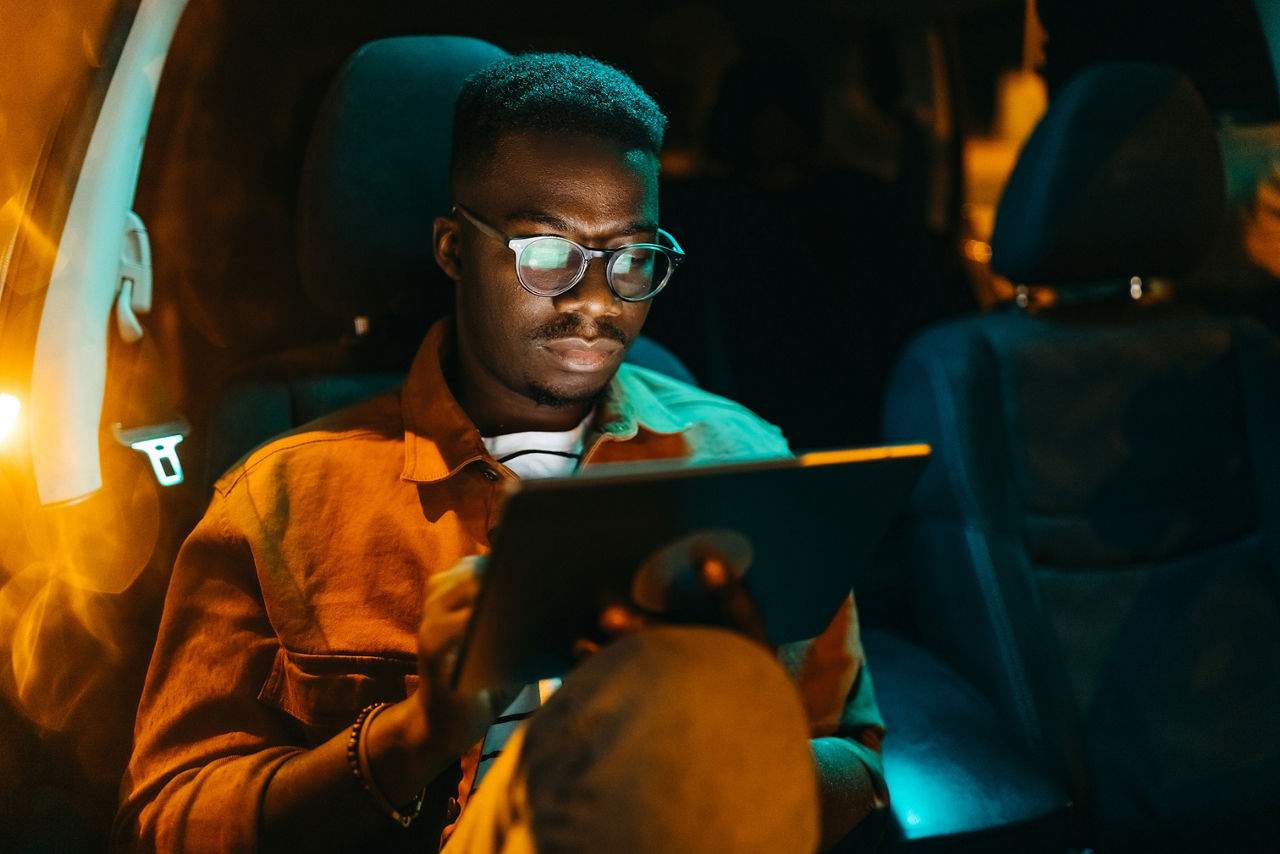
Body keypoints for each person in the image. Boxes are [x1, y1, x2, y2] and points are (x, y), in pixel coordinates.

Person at [114, 52, 887, 853]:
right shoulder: (280, 500)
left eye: (633, 259)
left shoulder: (743, 459)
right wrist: (416, 735)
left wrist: (719, 744)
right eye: (548, 255)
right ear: (453, 248)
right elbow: (162, 823)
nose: (597, 300)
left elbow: (854, 755)